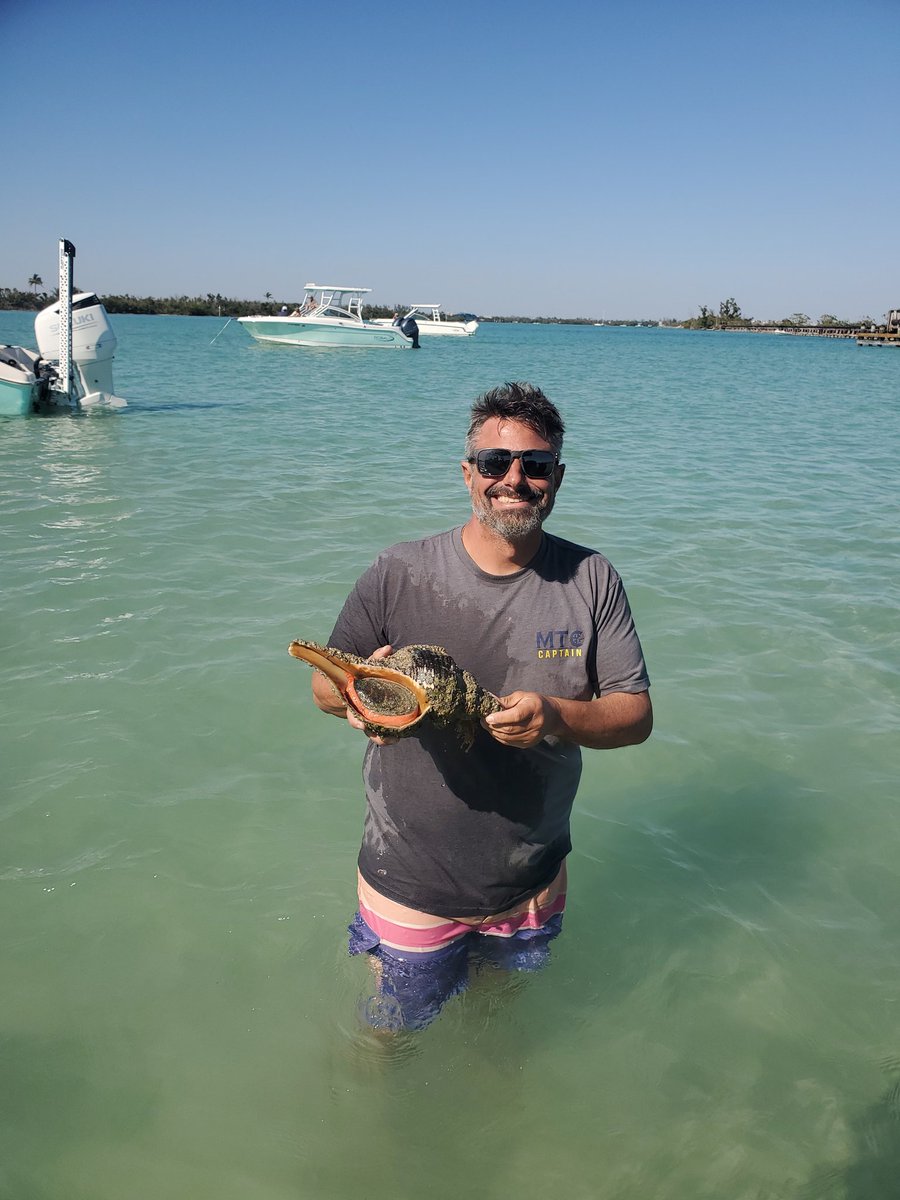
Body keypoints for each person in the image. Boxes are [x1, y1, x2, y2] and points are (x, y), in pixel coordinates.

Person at [309, 381, 652, 1030]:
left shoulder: (593, 579)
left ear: (558, 476)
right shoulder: (399, 571)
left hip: (531, 879)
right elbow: (325, 682)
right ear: (468, 473)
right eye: (496, 462)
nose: (514, 479)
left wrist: (554, 716)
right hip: (409, 881)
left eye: (536, 465)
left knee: (500, 1022)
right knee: (388, 1034)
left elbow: (634, 714)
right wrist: (361, 699)